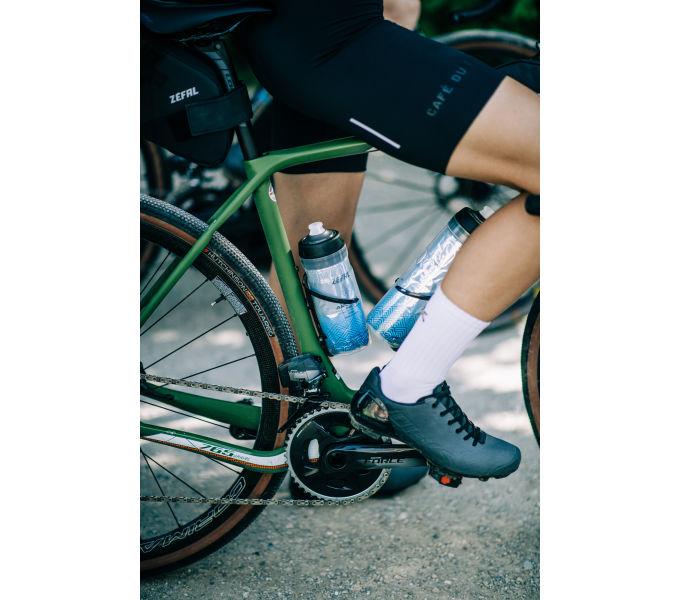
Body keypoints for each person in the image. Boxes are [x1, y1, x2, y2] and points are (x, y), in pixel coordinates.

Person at [238, 0, 539, 483]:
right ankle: (407, 389)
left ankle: (315, 445)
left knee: (306, 257)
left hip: (307, 34)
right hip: (334, 39)